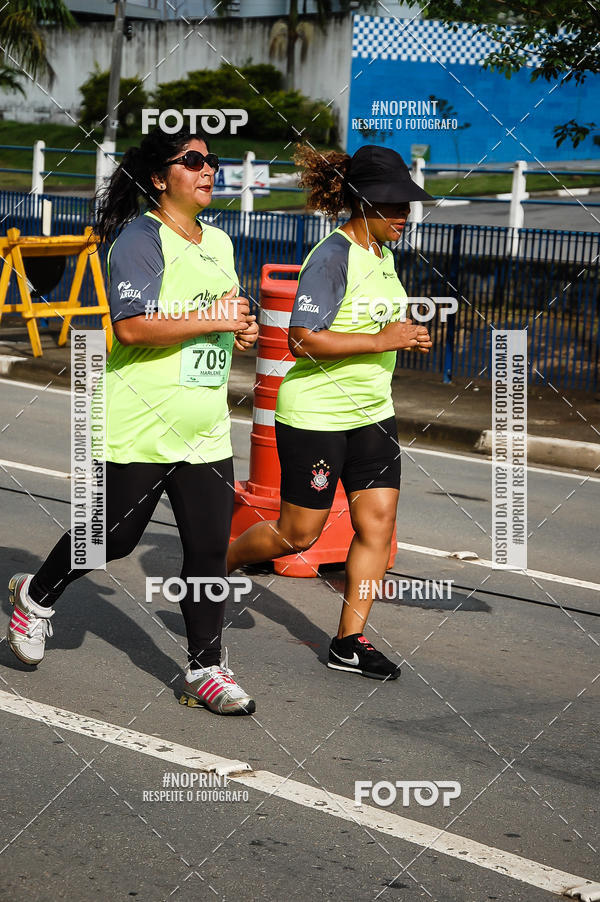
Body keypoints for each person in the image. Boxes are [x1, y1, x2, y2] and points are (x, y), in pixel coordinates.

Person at [7, 127, 259, 715]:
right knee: (112, 541)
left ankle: (206, 669)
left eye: (211, 160)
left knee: (205, 548)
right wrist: (215, 318)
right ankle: (37, 595)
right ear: (157, 178)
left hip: (203, 429)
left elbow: (218, 318)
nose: (207, 169)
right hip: (138, 425)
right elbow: (132, 327)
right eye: (191, 160)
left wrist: (238, 329)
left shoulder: (219, 243)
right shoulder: (141, 240)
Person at [227, 144, 432, 681]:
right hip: (316, 416)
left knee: (377, 525)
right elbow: (301, 340)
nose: (404, 216)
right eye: (394, 206)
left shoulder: (384, 256)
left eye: (407, 206)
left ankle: (349, 641)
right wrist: (382, 337)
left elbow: (372, 328)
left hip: (372, 413)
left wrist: (403, 336)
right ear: (364, 203)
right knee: (298, 535)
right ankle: (215, 566)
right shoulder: (332, 256)